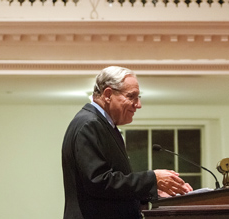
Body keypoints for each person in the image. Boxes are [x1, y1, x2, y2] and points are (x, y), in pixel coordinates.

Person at [62, 66, 192, 219]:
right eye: (132, 96)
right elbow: (98, 182)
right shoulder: (90, 124)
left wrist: (151, 190)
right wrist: (152, 179)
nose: (138, 104)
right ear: (108, 94)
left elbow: (113, 188)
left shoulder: (103, 125)